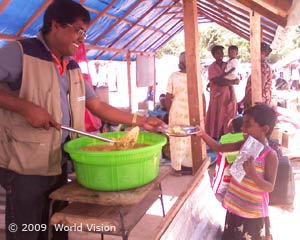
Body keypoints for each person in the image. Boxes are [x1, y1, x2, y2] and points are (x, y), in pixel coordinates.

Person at [0, 1, 165, 240]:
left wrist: (140, 121)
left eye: (85, 33)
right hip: (24, 166)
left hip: (60, 162)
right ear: (55, 25)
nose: (82, 39)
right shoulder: (21, 52)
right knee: (27, 230)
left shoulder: (72, 67)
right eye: (78, 30)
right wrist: (25, 107)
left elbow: (96, 105)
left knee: (58, 226)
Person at [197, 103, 278, 240]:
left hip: (252, 214)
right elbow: (219, 147)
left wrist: (253, 175)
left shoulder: (270, 156)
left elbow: (269, 187)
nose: (242, 128)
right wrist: (202, 134)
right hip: (235, 207)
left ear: (264, 129)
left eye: (248, 124)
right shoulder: (245, 144)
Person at [165, 52, 194, 175]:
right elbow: (202, 97)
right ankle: (189, 166)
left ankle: (177, 168)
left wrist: (168, 112)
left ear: (180, 63)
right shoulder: (195, 76)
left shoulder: (173, 76)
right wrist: (202, 113)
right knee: (190, 138)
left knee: (176, 138)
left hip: (176, 111)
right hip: (192, 111)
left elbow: (168, 97)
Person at [205, 45, 239, 140]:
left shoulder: (228, 64)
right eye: (218, 53)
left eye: (222, 53)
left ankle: (227, 134)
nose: (220, 55)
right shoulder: (212, 67)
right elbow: (217, 81)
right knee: (216, 114)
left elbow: (235, 77)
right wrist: (232, 82)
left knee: (228, 113)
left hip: (228, 93)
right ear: (213, 55)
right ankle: (216, 134)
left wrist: (233, 81)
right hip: (217, 95)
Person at [240, 42, 273, 111]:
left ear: (262, 53)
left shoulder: (262, 66)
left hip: (258, 100)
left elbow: (260, 86)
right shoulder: (260, 65)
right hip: (258, 99)